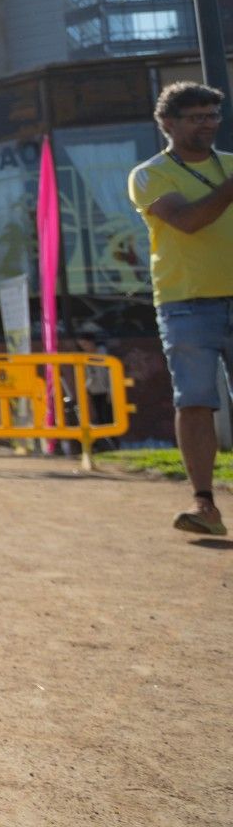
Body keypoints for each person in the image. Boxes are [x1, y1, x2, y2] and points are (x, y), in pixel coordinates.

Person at [127, 81, 233, 537]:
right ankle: (205, 505)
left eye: (212, 116)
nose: (208, 124)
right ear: (167, 124)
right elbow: (188, 221)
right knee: (195, 403)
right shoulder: (149, 175)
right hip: (186, 305)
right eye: (197, 117)